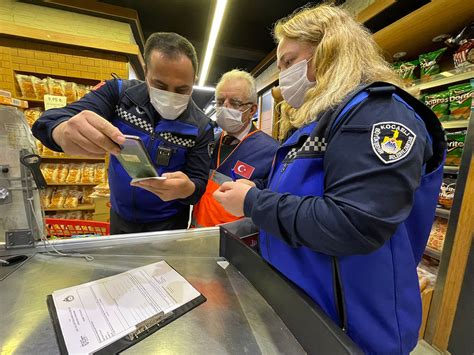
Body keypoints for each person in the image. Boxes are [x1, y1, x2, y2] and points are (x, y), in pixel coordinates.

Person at [213, 5, 445, 354]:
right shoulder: (313, 126)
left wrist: (252, 202)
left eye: (289, 62)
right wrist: (257, 192)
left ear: (330, 52)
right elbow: (302, 196)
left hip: (354, 331)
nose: (281, 76)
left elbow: (353, 223)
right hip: (306, 316)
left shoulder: (378, 113)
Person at [32, 32, 214, 234]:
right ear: (146, 72)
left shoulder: (202, 126)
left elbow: (198, 184)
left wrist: (187, 189)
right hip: (120, 218)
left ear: (193, 80)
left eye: (182, 90)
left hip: (169, 225)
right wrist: (61, 130)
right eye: (160, 85)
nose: (170, 96)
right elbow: (48, 120)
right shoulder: (118, 94)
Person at [191, 70, 278, 227]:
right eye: (220, 101)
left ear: (252, 110)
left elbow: (272, 200)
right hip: (196, 234)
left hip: (233, 242)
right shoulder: (210, 141)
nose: (225, 107)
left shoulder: (271, 151)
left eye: (235, 103)